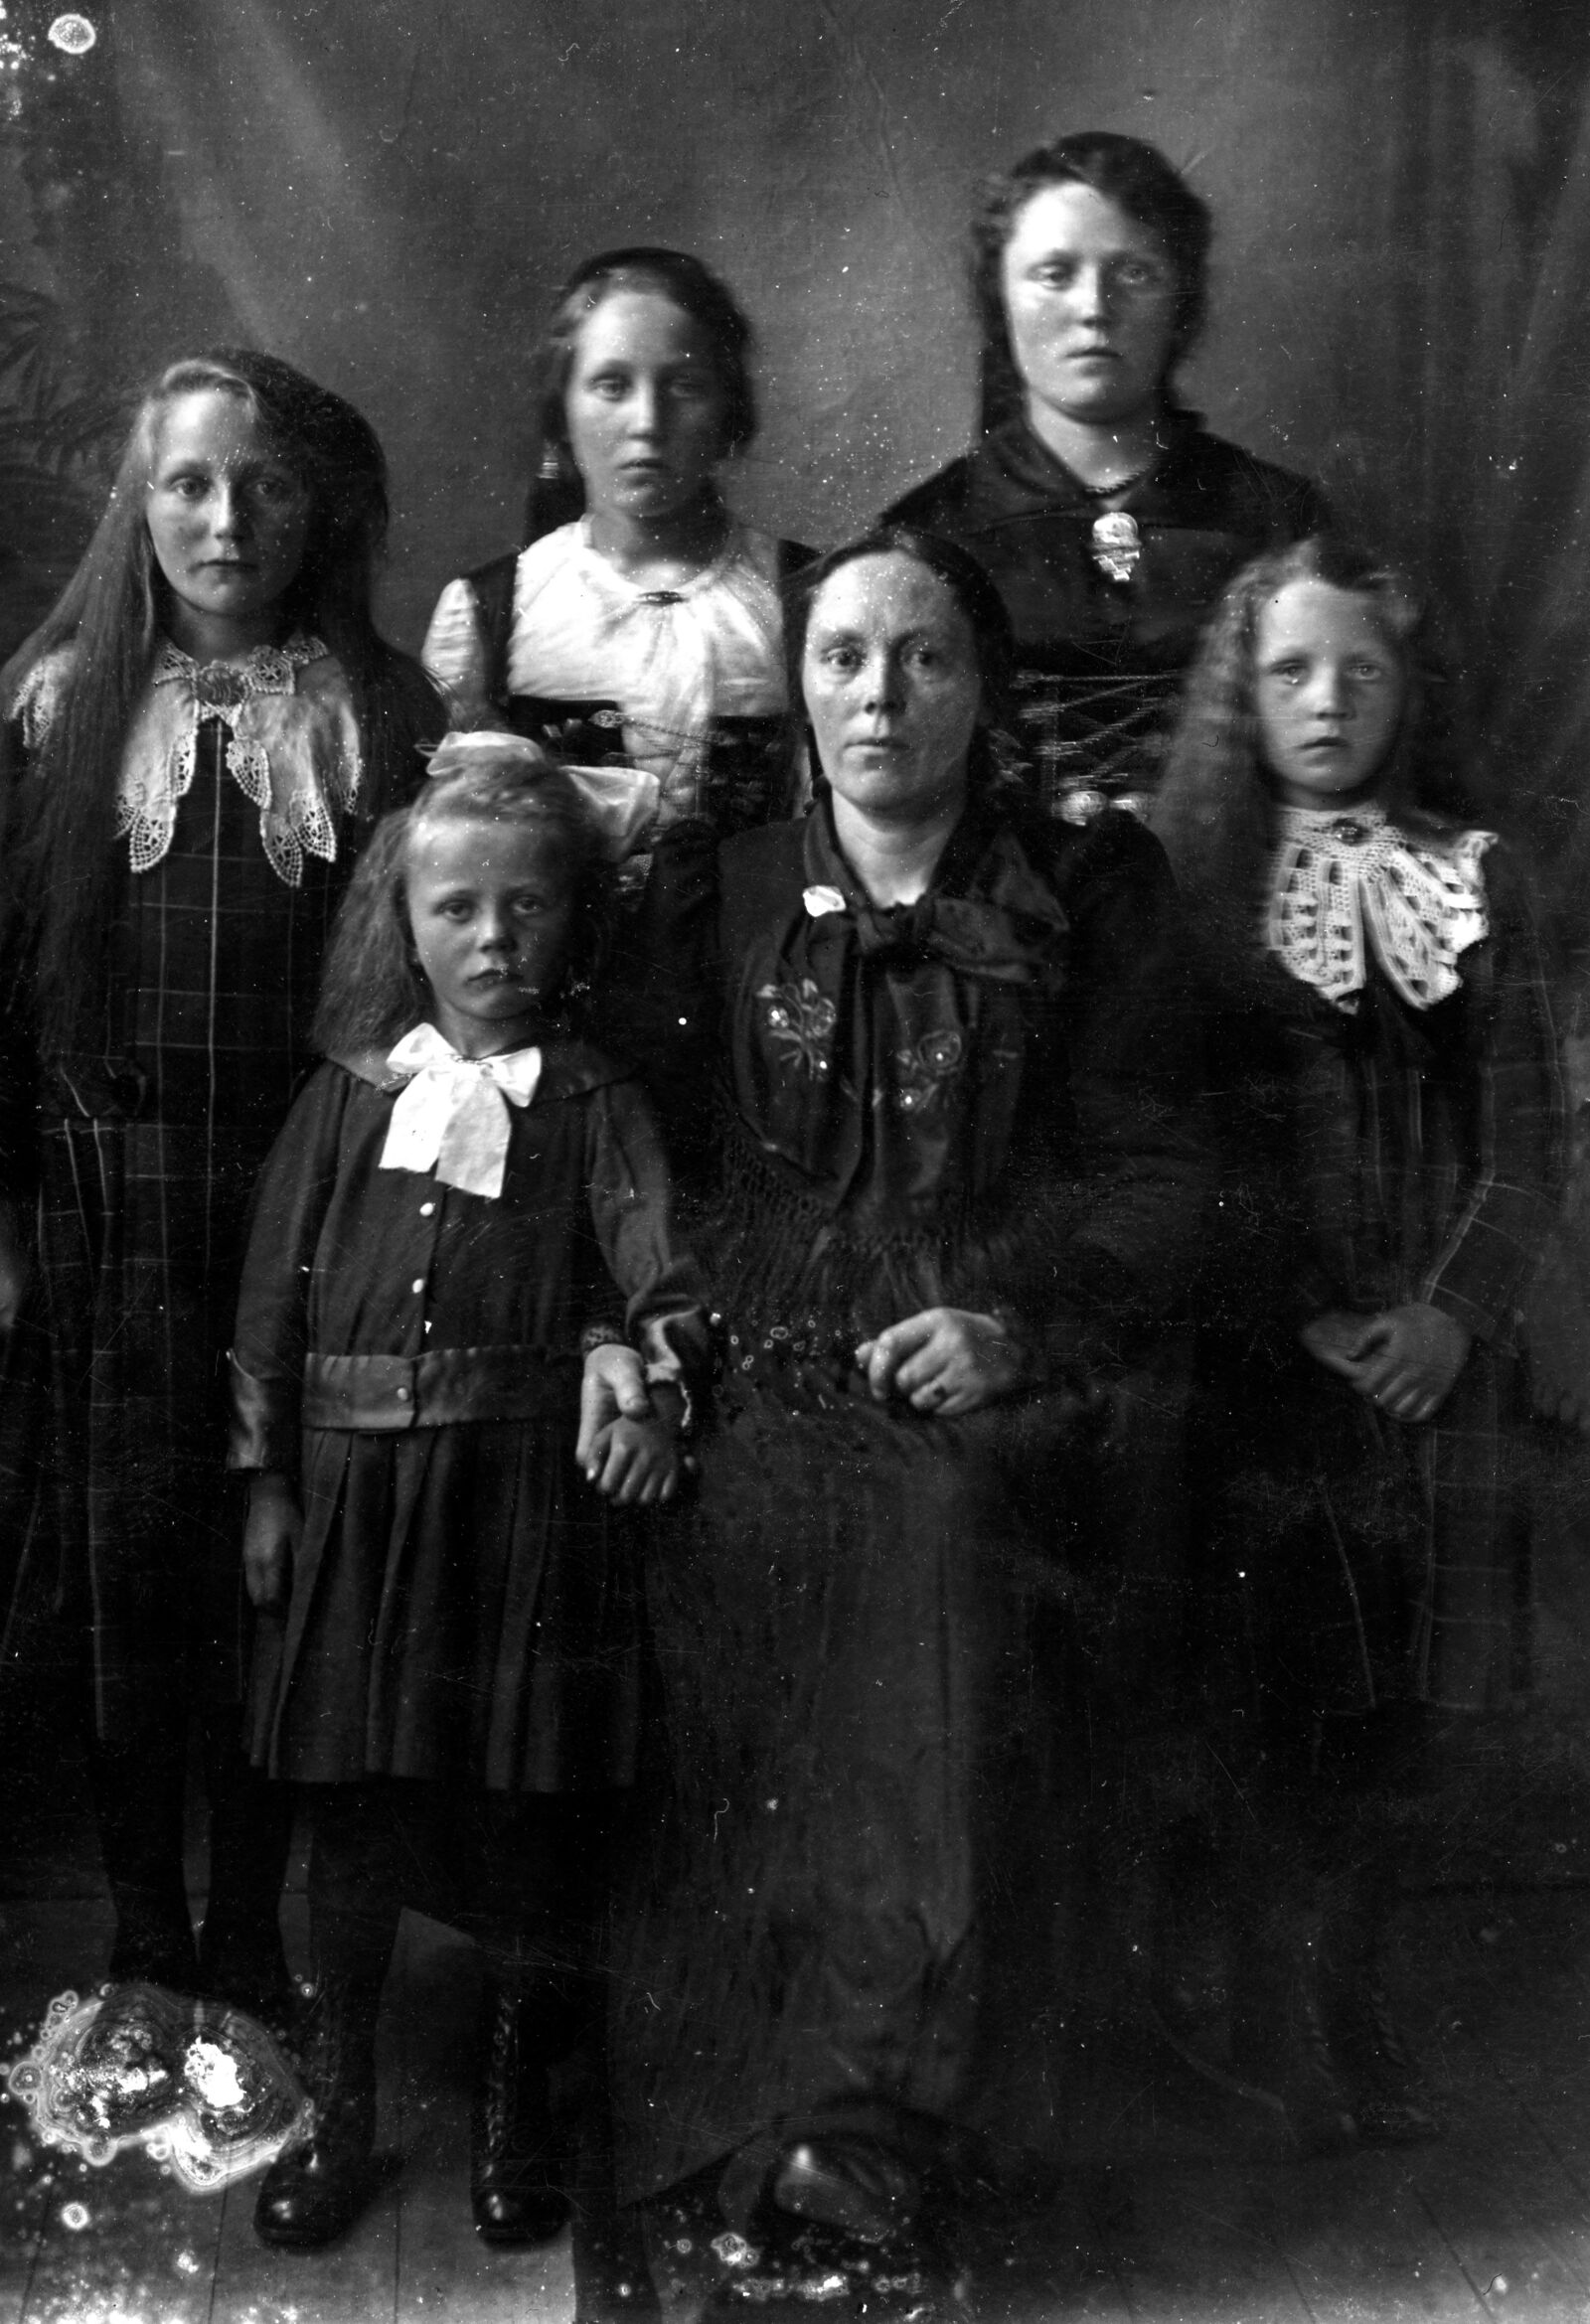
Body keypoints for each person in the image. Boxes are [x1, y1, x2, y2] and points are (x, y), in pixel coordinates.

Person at [594, 527, 1207, 2307]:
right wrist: (632, 1330)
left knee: (934, 1547)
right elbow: (635, 1148)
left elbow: (1168, 1172)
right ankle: (750, 2110)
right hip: (762, 1343)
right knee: (723, 1538)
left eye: (925, 657)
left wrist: (1018, 1326)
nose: (880, 694)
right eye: (845, 657)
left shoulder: (1085, 893)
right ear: (800, 686)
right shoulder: (717, 890)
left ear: (982, 687)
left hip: (995, 1353)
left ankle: (883, 2119)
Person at [0, 350, 442, 2013]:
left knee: (276, 1571)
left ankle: (250, 1922)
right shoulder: (58, 709)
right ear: (141, 502)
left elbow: (411, 991)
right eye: (188, 482)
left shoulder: (374, 711)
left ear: (315, 507)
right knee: (125, 1576)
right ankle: (141, 1924)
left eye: (262, 484)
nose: (226, 517)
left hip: (297, 1204)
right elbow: (5, 982)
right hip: (107, 1205)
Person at [229, 736, 707, 2250]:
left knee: (526, 1815)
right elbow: (269, 1304)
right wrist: (266, 1484)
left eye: (528, 905)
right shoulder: (347, 1095)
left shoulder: (596, 1097)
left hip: (523, 1508)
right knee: (352, 1818)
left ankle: (517, 2109)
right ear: (406, 919)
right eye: (457, 908)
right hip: (355, 1504)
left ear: (574, 916)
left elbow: (665, 1277)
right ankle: (340, 2107)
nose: (494, 938)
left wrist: (647, 1376)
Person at [1151, 536, 1563, 2150]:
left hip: (1436, 1369)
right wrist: (1290, 1311)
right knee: (1268, 1682)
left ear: (1409, 690)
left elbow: (1523, 1139)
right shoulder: (1191, 889)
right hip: (1262, 1367)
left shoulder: (1477, 877)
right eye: (1291, 670)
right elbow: (1174, 1148)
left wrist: (1452, 1314)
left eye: (1363, 670)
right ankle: (1243, 1998)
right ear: (1240, 692)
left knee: (1400, 1706)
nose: (1327, 701)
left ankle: (1348, 1988)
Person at [885, 131, 1326, 826]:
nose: (1094, 307)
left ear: (1181, 300)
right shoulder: (927, 533)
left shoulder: (1278, 517)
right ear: (1000, 300)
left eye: (1135, 273)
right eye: (1054, 274)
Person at [423, 245, 808, 850]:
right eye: (612, 385)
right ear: (563, 409)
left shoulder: (806, 591)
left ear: (728, 407)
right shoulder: (489, 611)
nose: (647, 421)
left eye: (684, 386)